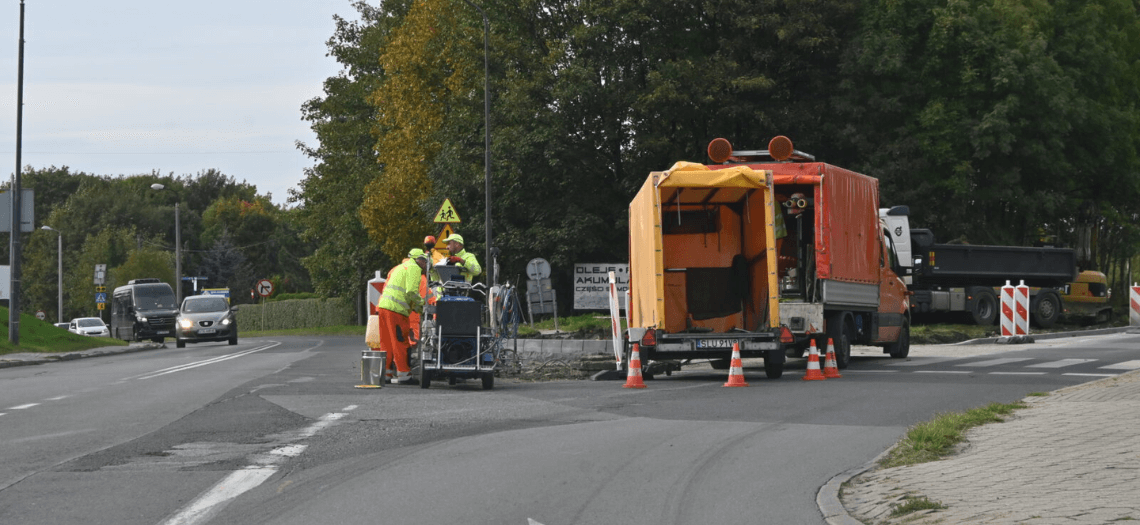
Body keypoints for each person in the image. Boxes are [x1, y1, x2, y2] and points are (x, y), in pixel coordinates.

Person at [378, 247, 430, 385]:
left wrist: (418, 309)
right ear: (419, 260)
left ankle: (386, 374)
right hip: (397, 310)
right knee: (400, 342)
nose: (425, 266)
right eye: (425, 262)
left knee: (386, 343)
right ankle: (404, 374)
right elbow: (411, 292)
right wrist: (423, 304)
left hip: (383, 307)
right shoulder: (414, 268)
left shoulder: (398, 268)